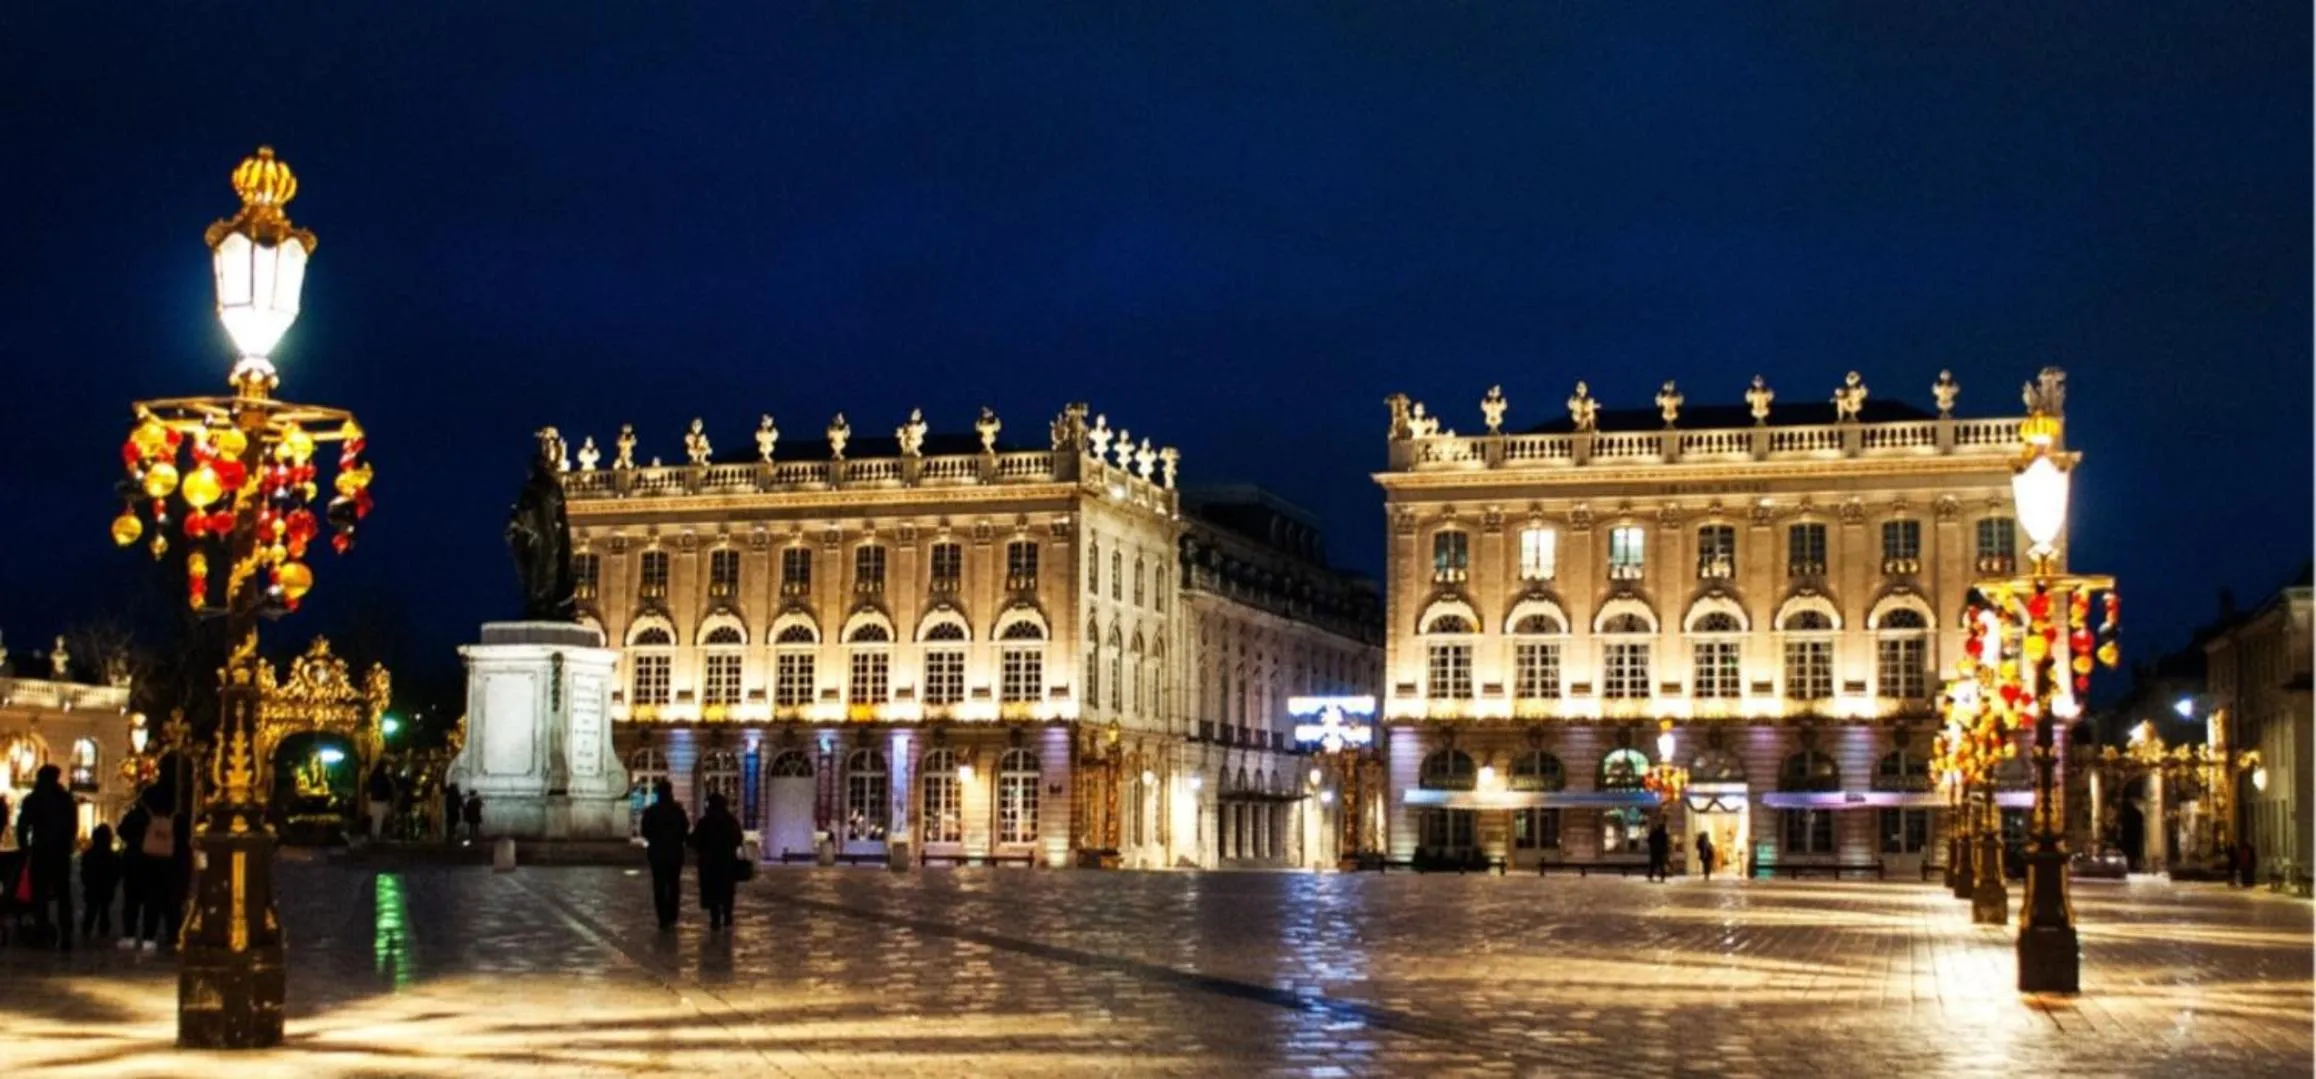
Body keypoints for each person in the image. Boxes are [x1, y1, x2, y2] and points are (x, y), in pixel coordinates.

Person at [16, 764, 78, 950]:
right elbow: (72, 826)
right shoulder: (66, 799)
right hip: (60, 852)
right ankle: (66, 933)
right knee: (63, 893)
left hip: (40, 850)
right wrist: (68, 844)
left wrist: (24, 848)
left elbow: (22, 826)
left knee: (39, 894)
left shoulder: (33, 799)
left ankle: (41, 930)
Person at [134, 786, 181, 951]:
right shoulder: (177, 819)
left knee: (151, 902)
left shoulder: (145, 817)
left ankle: (149, 935)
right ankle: (173, 935)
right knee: (171, 903)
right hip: (170, 862)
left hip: (150, 861)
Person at [640, 781, 690, 930]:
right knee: (674, 884)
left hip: (657, 852)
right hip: (675, 852)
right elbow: (685, 829)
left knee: (659, 885)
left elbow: (645, 831)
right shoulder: (677, 811)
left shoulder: (651, 811)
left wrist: (655, 838)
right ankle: (672, 915)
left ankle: (662, 917)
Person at [690, 792, 743, 929]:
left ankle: (715, 919)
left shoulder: (705, 822)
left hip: (710, 863)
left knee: (712, 891)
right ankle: (728, 916)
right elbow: (738, 839)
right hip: (727, 862)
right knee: (727, 891)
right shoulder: (730, 821)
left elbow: (695, 841)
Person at [115, 796, 150, 949]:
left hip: (134, 858)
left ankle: (129, 934)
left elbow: (121, 830)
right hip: (151, 859)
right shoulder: (155, 817)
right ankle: (149, 936)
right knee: (150, 901)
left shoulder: (133, 815)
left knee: (131, 900)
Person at [78, 823, 120, 942]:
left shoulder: (89, 855)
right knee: (104, 910)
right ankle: (103, 931)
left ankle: (87, 929)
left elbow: (84, 871)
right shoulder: (112, 856)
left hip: (92, 886)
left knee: (91, 909)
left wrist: (86, 881)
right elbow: (116, 873)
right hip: (106, 887)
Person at [365, 763, 396, 842]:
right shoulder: (385, 778)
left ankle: (373, 835)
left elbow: (368, 788)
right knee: (378, 820)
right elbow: (388, 791)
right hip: (381, 801)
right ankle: (376, 836)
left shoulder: (373, 776)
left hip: (373, 800)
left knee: (375, 819)